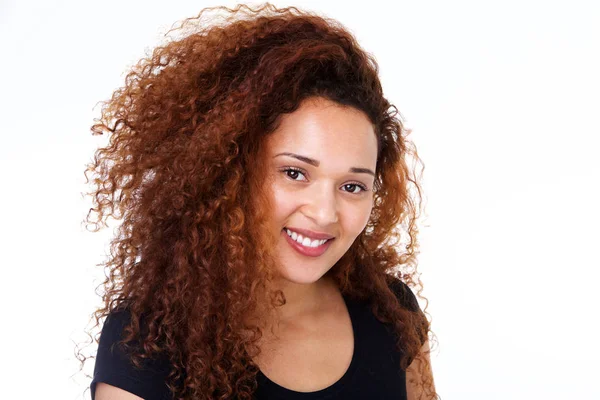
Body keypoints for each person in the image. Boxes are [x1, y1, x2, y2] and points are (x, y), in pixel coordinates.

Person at [78, 3, 438, 399]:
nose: (324, 212)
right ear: (229, 172)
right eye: (295, 173)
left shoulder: (390, 315)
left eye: (352, 186)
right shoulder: (148, 343)